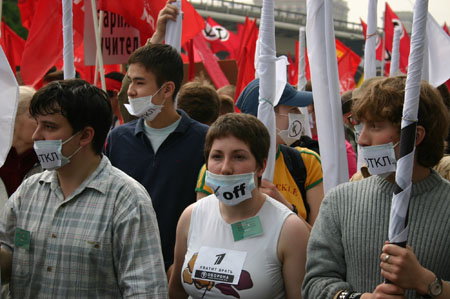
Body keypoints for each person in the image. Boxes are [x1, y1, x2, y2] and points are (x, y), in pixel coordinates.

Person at [0, 79, 168, 298]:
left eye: (49, 126)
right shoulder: (28, 191)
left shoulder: (127, 199)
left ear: (85, 135)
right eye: (37, 123)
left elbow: (145, 290)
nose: (36, 136)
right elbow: (9, 254)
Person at [302, 76, 450, 299]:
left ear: (415, 136)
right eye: (360, 126)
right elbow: (314, 284)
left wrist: (426, 281)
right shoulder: (340, 201)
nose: (361, 140)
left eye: (375, 126)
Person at [169, 113, 310, 298]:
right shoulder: (191, 216)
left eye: (239, 157)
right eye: (217, 156)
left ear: (261, 166)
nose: (226, 168)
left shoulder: (290, 230)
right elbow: (176, 292)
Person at [105, 38, 208, 272]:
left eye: (139, 83)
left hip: (178, 268)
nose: (130, 91)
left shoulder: (205, 141)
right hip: (121, 265)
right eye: (130, 81)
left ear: (168, 89)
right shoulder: (117, 139)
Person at [197, 78, 324, 226]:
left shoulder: (307, 162)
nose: (299, 115)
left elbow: (318, 242)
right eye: (293, 110)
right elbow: (205, 229)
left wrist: (284, 208)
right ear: (268, 115)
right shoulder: (215, 172)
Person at [0, 86, 41, 197]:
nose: (41, 121)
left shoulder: (47, 158)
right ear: (13, 118)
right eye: (33, 115)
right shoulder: (2, 159)